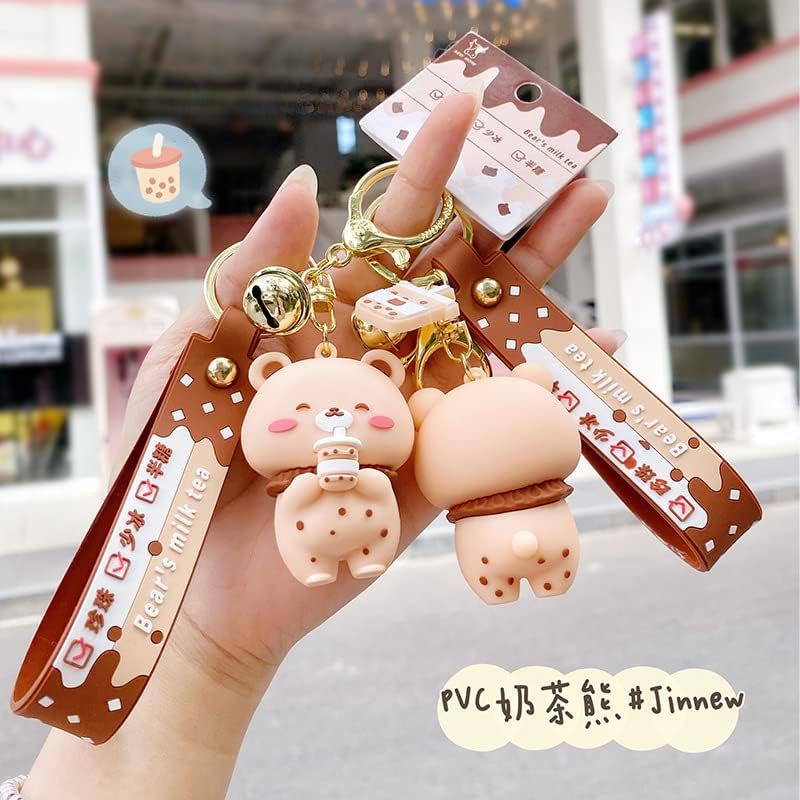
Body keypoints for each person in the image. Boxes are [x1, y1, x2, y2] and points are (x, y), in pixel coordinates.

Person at [9, 91, 619, 799]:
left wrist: (204, 657)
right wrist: (195, 638)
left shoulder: (418, 416)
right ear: (267, 381)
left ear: (393, 382)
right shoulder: (289, 409)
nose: (333, 420)